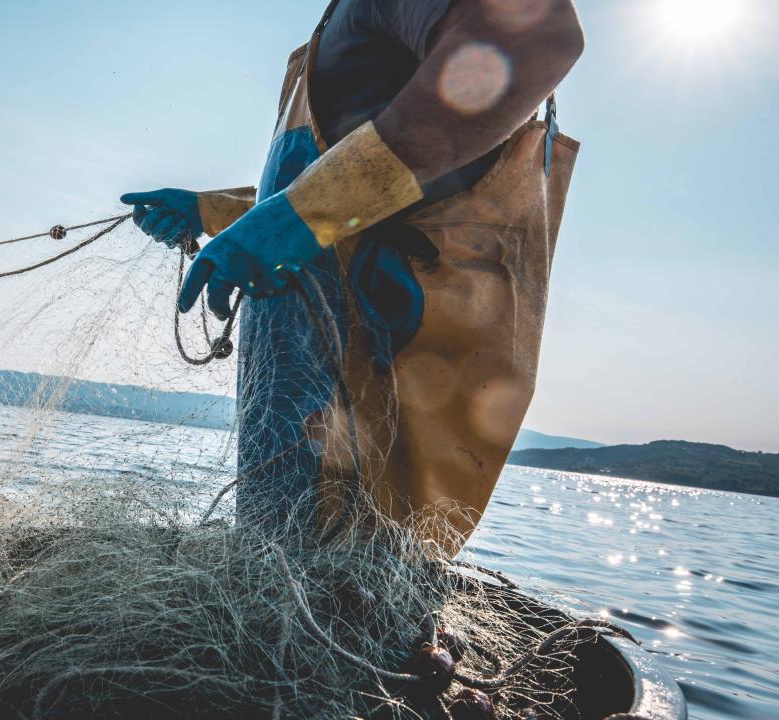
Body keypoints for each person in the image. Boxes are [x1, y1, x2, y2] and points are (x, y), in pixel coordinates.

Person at [123, 0, 584, 553]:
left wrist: (299, 215)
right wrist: (214, 211)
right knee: (276, 567)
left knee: (316, 582)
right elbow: (352, 191)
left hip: (373, 388)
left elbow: (536, 41)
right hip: (302, 395)